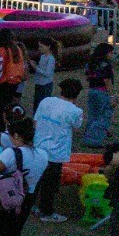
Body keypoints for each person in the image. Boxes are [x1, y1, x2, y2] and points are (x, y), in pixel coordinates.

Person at [33, 78, 85, 223]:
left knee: (35, 179)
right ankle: (46, 212)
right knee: (50, 184)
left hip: (39, 147)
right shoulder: (75, 111)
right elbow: (77, 125)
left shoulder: (46, 101)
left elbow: (36, 122)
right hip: (56, 152)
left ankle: (31, 205)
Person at [81, 42, 114, 149]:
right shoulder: (106, 65)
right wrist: (112, 96)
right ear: (105, 53)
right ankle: (95, 141)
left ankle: (87, 137)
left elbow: (87, 78)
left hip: (92, 91)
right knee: (103, 116)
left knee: (93, 116)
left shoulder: (90, 63)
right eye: (110, 52)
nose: (111, 54)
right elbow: (107, 80)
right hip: (102, 92)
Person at [31, 38, 58, 106]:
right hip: (39, 83)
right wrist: (36, 65)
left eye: (41, 46)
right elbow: (42, 69)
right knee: (37, 103)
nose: (39, 48)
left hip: (46, 85)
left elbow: (47, 74)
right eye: (39, 46)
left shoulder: (50, 59)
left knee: (43, 104)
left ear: (48, 46)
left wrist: (35, 67)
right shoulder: (43, 56)